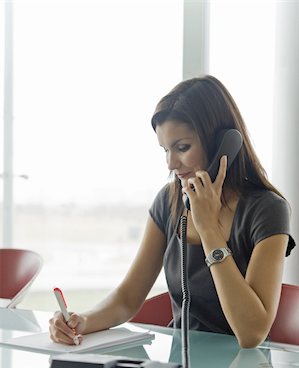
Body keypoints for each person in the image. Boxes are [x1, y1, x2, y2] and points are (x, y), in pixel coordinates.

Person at [49, 75, 295, 348]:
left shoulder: (268, 209)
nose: (171, 163)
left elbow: (251, 333)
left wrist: (208, 229)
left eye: (182, 147)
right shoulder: (169, 201)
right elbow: (128, 298)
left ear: (222, 143)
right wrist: (82, 320)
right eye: (165, 149)